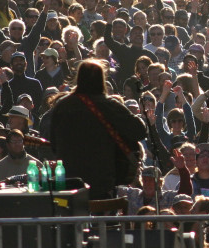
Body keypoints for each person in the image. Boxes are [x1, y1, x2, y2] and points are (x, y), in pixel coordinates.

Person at [48, 59, 146, 199]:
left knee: (73, 216)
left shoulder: (63, 106)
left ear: (79, 78)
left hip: (70, 181)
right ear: (101, 79)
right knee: (103, 218)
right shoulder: (109, 105)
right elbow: (139, 131)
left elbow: (54, 144)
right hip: (102, 180)